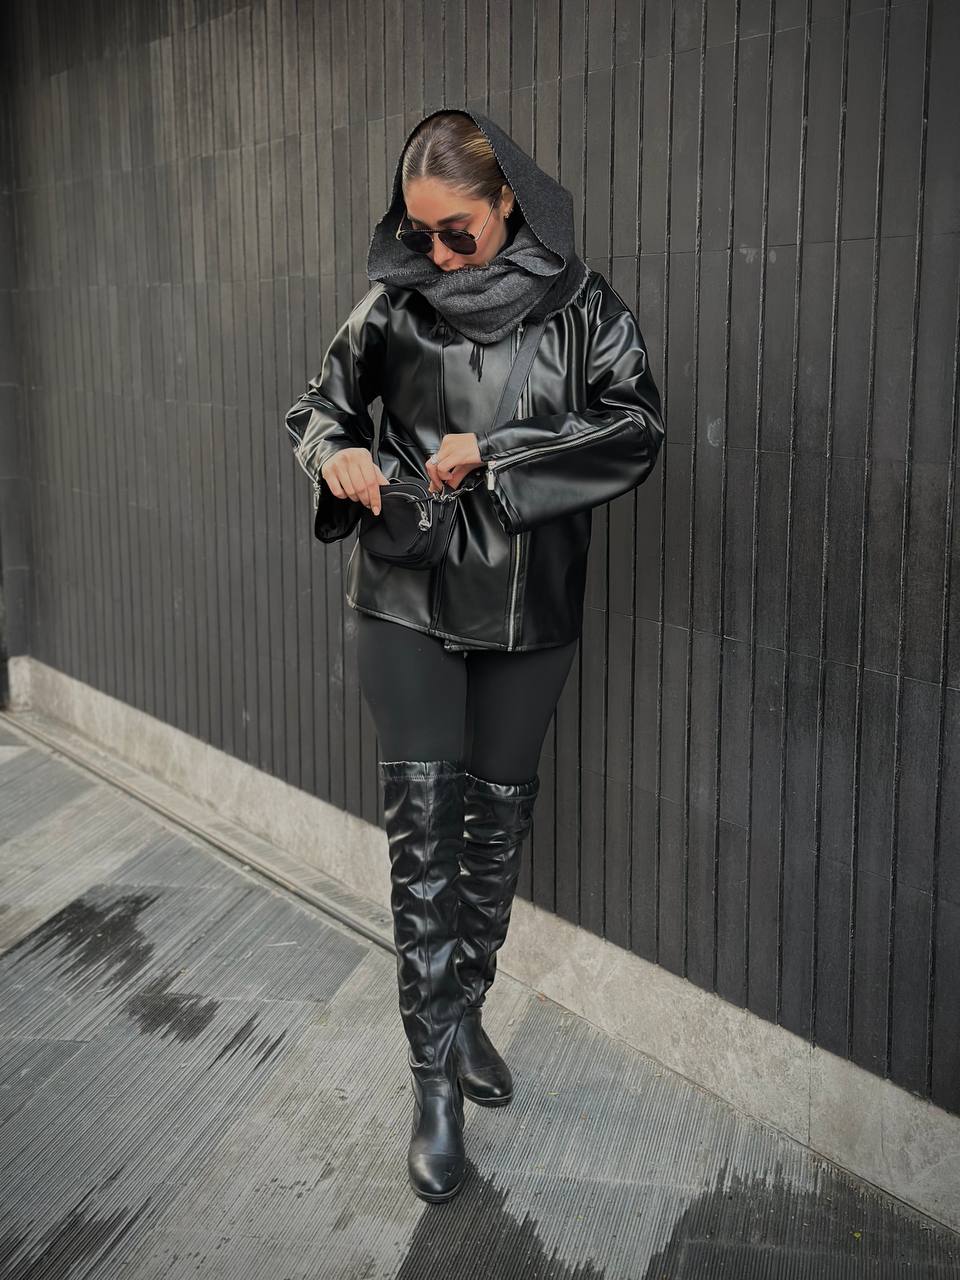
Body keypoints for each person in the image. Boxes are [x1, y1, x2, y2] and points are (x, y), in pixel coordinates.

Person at [284, 108, 665, 1204]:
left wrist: (498, 452)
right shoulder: (393, 304)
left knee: (494, 832)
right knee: (425, 841)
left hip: (527, 606)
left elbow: (637, 429)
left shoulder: (585, 309)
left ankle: (463, 1017)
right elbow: (316, 408)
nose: (438, 254)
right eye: (420, 234)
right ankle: (433, 1085)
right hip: (404, 592)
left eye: (458, 232)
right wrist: (338, 454)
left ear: (511, 204)